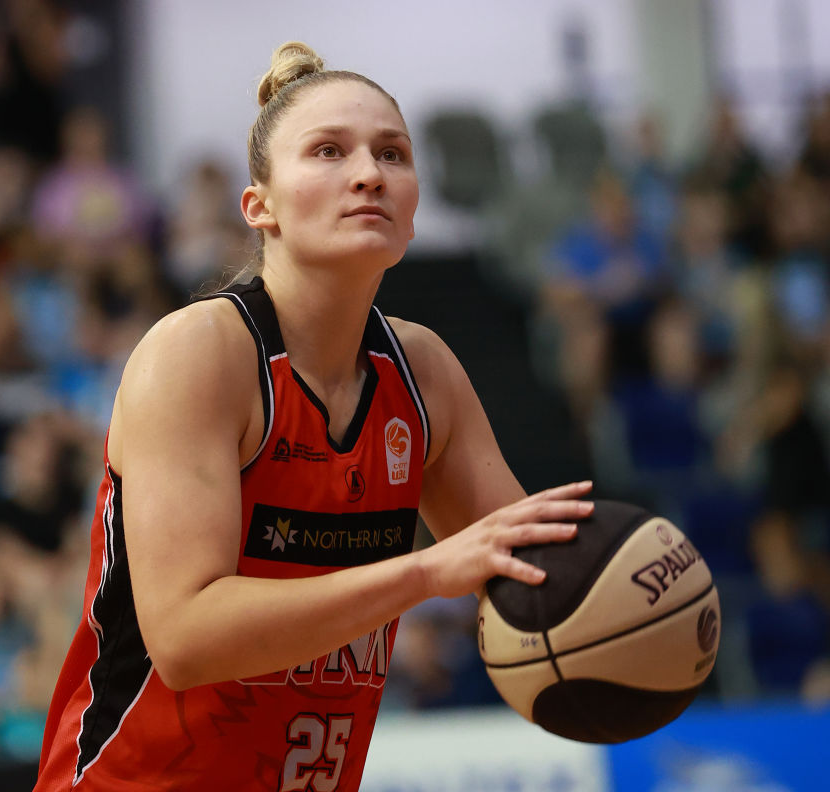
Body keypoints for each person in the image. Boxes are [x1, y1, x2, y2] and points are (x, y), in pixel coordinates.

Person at [34, 42, 592, 791]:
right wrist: (425, 572)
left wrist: (638, 605)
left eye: (392, 154)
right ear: (258, 207)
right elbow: (186, 638)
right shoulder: (199, 354)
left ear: (414, 212)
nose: (369, 173)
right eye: (329, 151)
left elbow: (535, 579)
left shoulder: (423, 373)